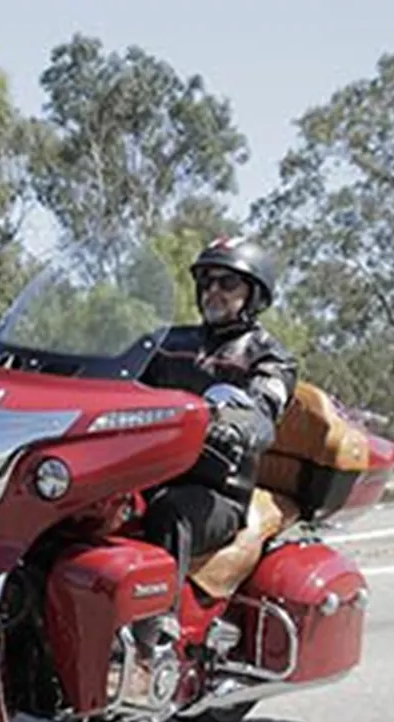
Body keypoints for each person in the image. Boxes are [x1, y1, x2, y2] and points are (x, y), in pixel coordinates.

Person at [127, 235, 298, 667]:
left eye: (227, 283)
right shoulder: (170, 342)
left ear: (254, 294)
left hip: (216, 491)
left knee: (170, 512)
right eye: (207, 282)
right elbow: (119, 377)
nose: (213, 292)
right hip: (148, 472)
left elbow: (266, 405)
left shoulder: (268, 356)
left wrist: (240, 422)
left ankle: (155, 641)